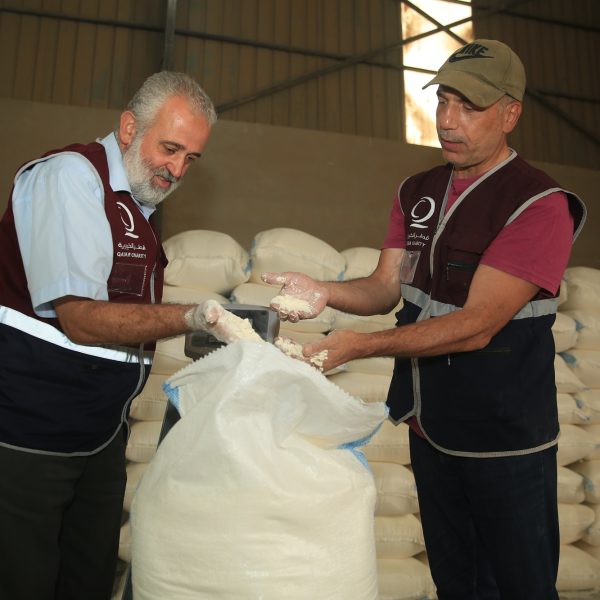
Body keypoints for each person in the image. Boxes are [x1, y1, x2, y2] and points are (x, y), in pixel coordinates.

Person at [263, 39, 586, 599]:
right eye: (443, 101)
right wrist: (325, 292)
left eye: (470, 106)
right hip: (430, 425)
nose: (448, 120)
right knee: (454, 584)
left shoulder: (537, 205)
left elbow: (480, 322)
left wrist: (359, 347)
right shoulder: (417, 192)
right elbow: (386, 285)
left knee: (518, 588)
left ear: (511, 113)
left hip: (503, 438)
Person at [0, 71, 247, 600]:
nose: (177, 169)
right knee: (25, 578)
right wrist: (194, 317)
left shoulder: (137, 204)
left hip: (98, 433)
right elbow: (81, 319)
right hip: (29, 431)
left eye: (191, 159)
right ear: (130, 127)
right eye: (171, 148)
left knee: (87, 579)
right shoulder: (70, 177)